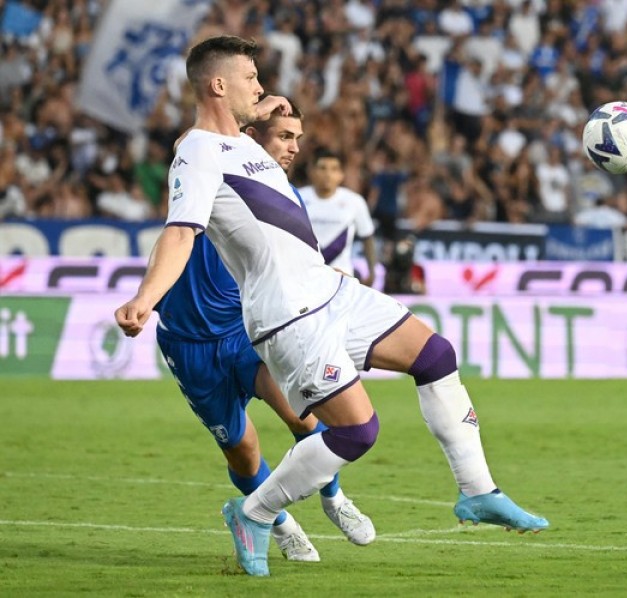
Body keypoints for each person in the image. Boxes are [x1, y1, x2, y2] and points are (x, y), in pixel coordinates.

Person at [115, 35, 548, 578]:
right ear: (219, 86)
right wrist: (144, 299)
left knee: (436, 355)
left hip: (330, 290)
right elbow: (180, 232)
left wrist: (259, 112)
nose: (263, 86)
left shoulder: (242, 144)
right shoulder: (197, 152)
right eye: (251, 78)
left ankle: (478, 491)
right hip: (286, 314)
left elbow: (231, 126)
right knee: (356, 432)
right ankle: (255, 512)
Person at [153, 102, 375, 563]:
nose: (293, 149)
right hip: (189, 341)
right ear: (250, 137)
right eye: (283, 138)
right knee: (243, 450)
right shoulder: (206, 163)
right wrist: (249, 107)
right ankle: (278, 522)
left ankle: (334, 497)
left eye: (297, 140)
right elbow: (187, 141)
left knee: (304, 419)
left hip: (245, 327)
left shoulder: (289, 196)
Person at [297, 148, 377, 285]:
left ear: (341, 175)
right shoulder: (298, 197)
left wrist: (372, 271)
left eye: (334, 169)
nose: (328, 174)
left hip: (342, 276)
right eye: (322, 168)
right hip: (304, 275)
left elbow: (367, 237)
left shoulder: (354, 201)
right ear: (312, 172)